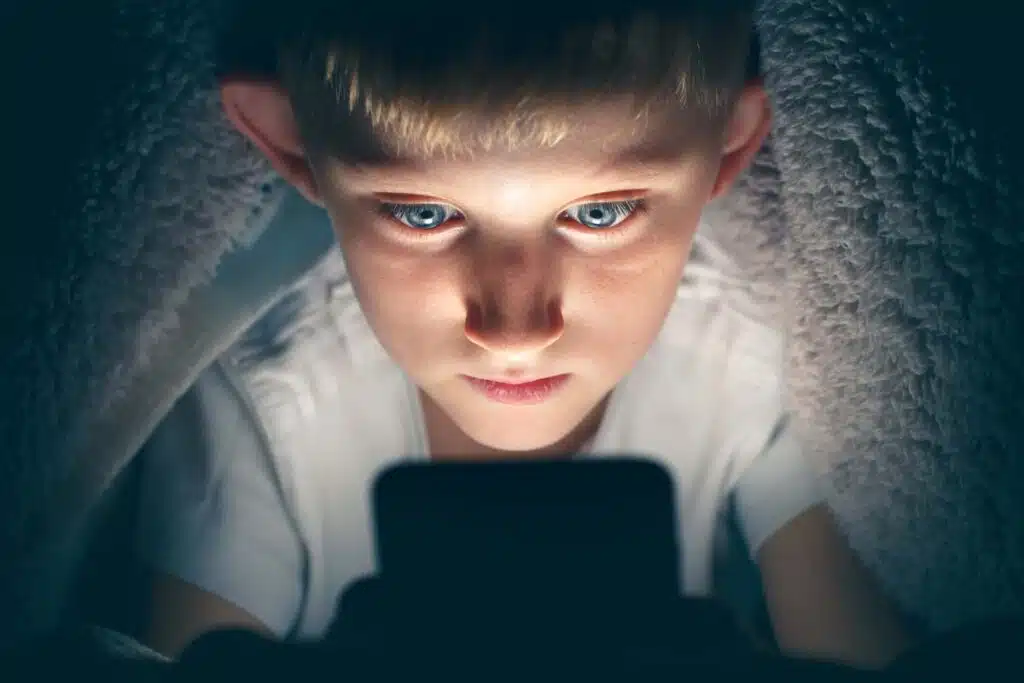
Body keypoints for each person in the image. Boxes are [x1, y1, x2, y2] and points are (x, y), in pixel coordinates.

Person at [134, 0, 914, 669]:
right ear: (293, 144)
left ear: (728, 145)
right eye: (424, 213)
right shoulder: (263, 402)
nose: (513, 329)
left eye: (600, 213)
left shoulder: (768, 359)